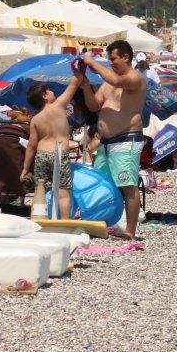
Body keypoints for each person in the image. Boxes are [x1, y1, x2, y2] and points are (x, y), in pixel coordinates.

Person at [79, 41, 147, 240]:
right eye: (109, 59)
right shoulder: (108, 81)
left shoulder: (135, 78)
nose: (110, 62)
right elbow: (93, 106)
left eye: (113, 58)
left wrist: (91, 62)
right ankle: (105, 223)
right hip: (106, 142)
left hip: (126, 138)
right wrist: (85, 86)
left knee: (128, 184)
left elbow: (117, 82)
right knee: (101, 182)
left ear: (126, 57)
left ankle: (130, 231)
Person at [23, 76, 82, 219]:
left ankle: (38, 219)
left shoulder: (35, 119)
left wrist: (25, 169)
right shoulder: (59, 105)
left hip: (42, 154)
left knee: (40, 189)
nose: (52, 91)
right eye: (49, 90)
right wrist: (78, 70)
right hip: (59, 153)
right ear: (44, 96)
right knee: (63, 192)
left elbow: (31, 145)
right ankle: (65, 221)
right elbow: (73, 83)